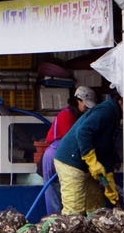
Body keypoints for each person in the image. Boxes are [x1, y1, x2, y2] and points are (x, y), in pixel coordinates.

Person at [51, 93, 123, 215]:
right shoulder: (107, 110)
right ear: (121, 100)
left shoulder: (115, 116)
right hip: (71, 162)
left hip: (86, 166)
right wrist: (92, 160)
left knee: (97, 208)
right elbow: (83, 132)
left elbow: (106, 148)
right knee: (74, 213)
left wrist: (109, 176)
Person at [40, 87, 96, 216]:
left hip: (63, 155)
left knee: (65, 193)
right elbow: (70, 142)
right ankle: (54, 223)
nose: (87, 109)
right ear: (77, 100)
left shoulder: (78, 116)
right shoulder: (67, 115)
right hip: (56, 154)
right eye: (85, 105)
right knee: (54, 193)